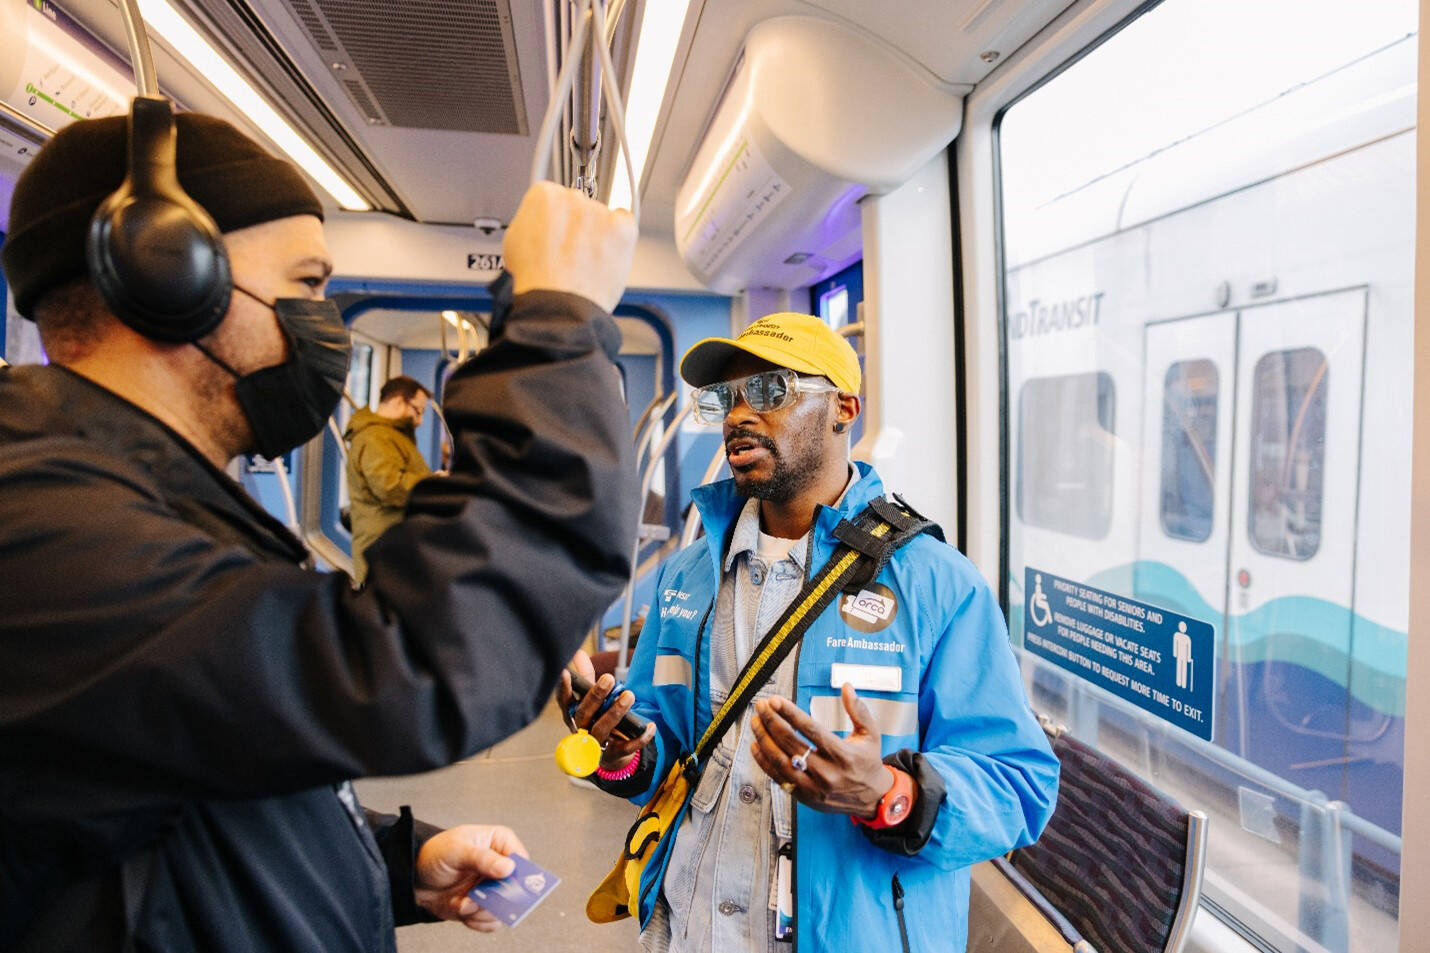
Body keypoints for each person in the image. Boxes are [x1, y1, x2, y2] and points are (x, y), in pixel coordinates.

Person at [0, 110, 638, 950]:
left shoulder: (144, 494)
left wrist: (390, 860)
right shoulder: (42, 523)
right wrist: (559, 321)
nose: (323, 321)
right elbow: (413, 670)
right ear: (167, 277)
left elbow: (197, 784)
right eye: (305, 285)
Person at [561, 313, 1059, 952]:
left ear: (843, 409)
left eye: (769, 391)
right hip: (687, 924)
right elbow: (663, 747)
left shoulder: (937, 585)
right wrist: (621, 745)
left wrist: (889, 793)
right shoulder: (688, 575)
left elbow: (1019, 783)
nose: (739, 414)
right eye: (724, 399)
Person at [345, 374, 434, 582]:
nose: (420, 421)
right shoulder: (375, 438)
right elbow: (389, 487)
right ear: (397, 401)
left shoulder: (392, 436)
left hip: (393, 545)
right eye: (418, 411)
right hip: (382, 550)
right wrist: (433, 483)